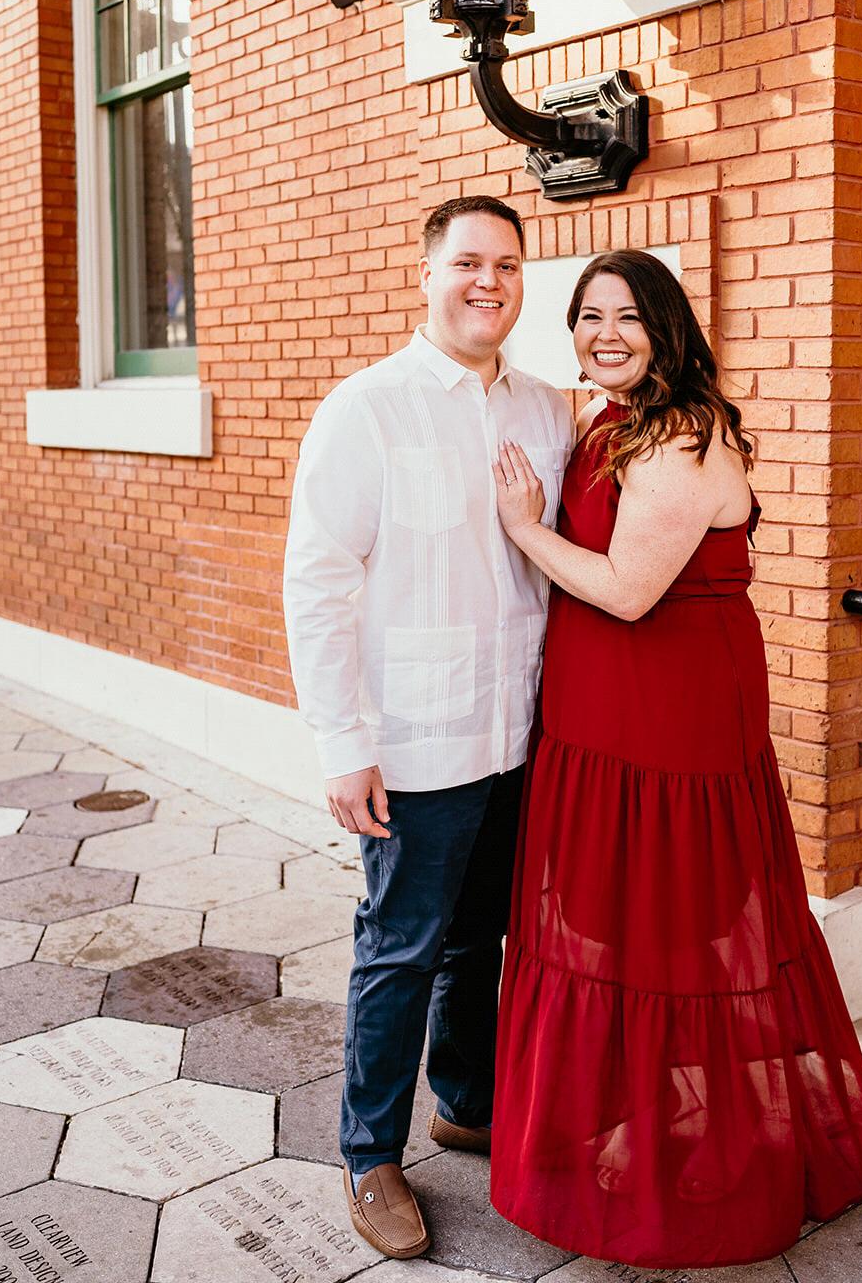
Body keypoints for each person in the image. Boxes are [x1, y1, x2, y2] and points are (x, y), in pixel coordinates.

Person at [488, 249, 862, 1268]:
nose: (604, 334)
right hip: (599, 714)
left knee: (676, 921)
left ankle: (698, 1146)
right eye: (588, 316)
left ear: (668, 327)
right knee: (616, 915)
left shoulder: (680, 435)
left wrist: (523, 529)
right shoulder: (609, 421)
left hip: (667, 715)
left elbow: (627, 591)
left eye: (628, 316)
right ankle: (643, 1110)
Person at [282, 195, 574, 1260]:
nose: (488, 281)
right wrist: (342, 742)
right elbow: (317, 583)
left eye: (507, 263)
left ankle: (464, 1103)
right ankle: (369, 1155)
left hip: (519, 734)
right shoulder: (367, 408)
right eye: (467, 262)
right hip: (417, 739)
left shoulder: (549, 411)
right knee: (399, 948)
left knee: (480, 938)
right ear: (426, 274)